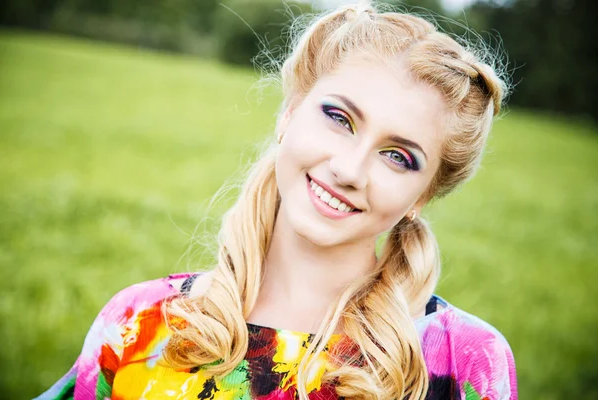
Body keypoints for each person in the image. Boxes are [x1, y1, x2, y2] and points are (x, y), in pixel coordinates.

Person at [36, 2, 517, 399]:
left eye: (397, 156)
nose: (349, 170)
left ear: (423, 195)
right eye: (339, 118)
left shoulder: (461, 360)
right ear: (289, 114)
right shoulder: (140, 323)